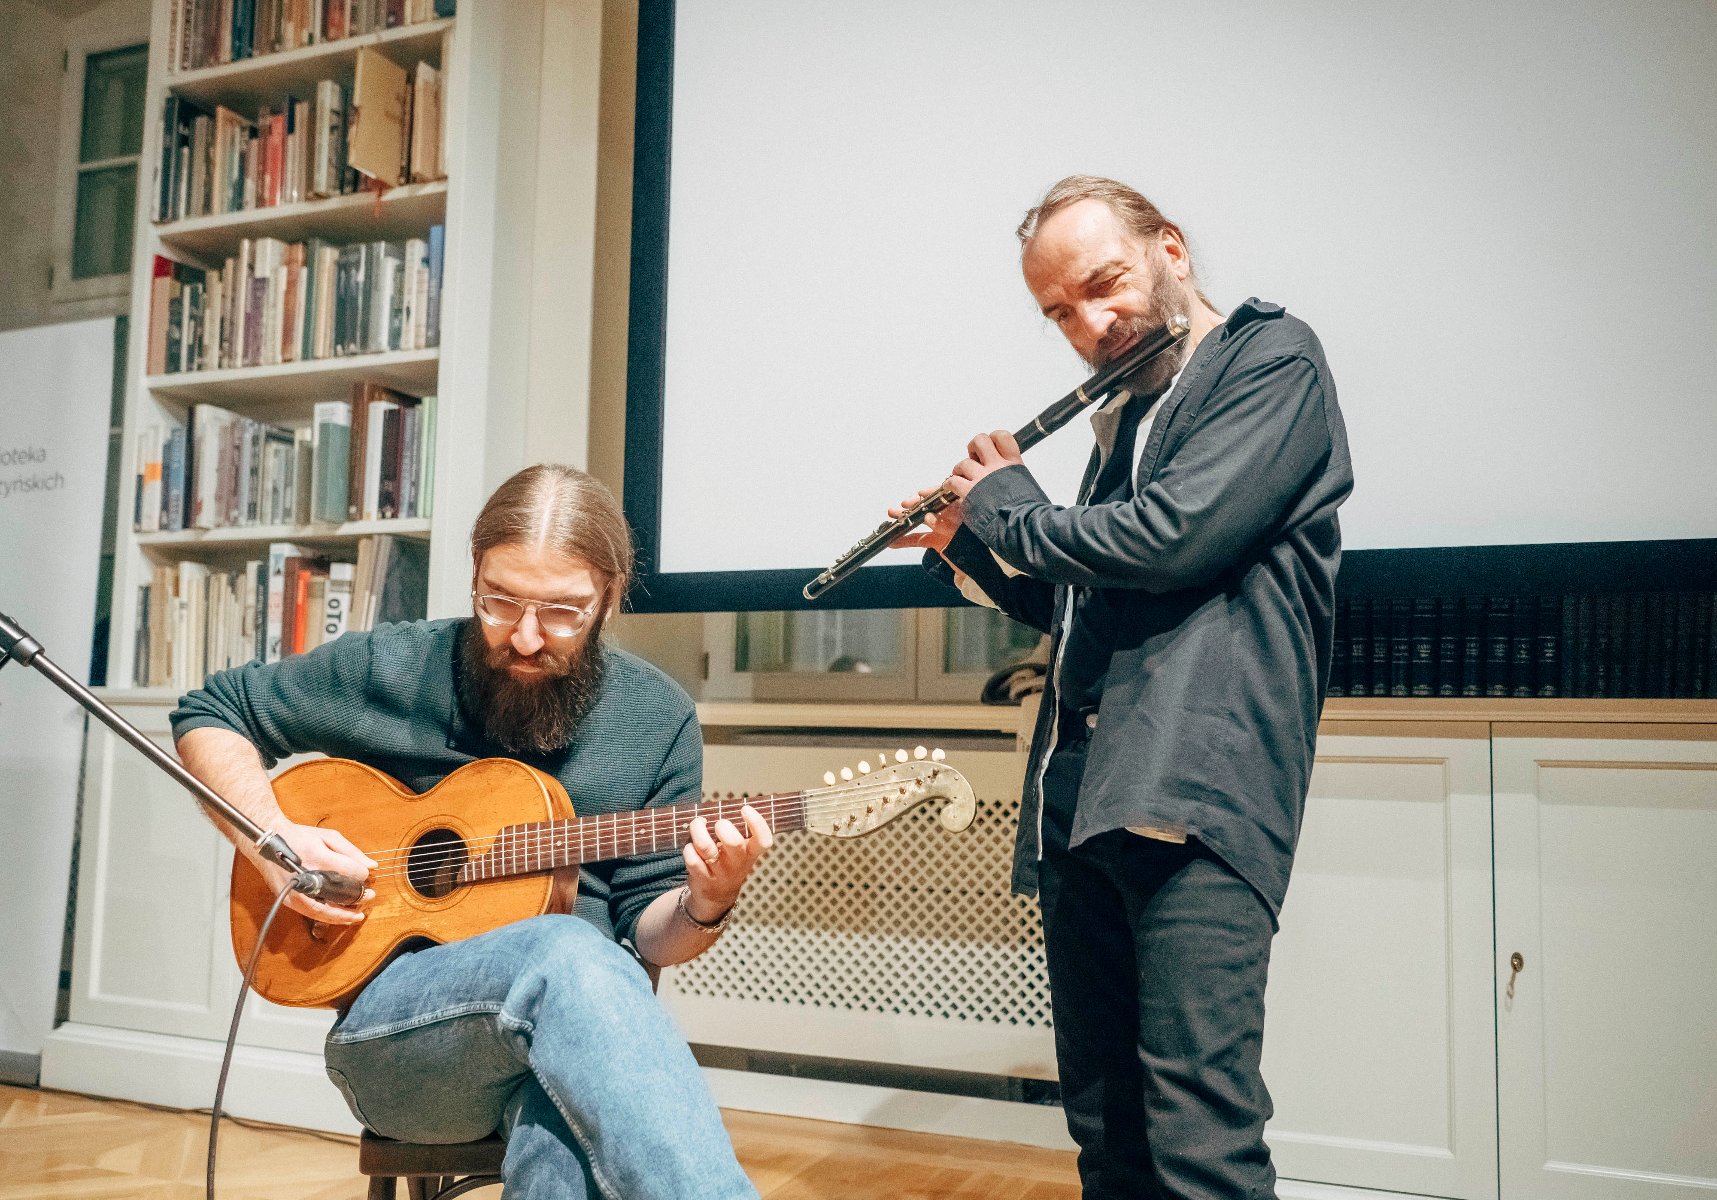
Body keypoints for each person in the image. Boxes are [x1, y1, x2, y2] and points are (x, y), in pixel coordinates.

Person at [893, 176, 1353, 1198]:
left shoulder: (1270, 361)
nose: (1089, 326)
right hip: (1084, 801)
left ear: (1170, 251)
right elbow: (1087, 607)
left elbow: (1171, 539)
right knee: (1110, 1131)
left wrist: (1008, 502)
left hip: (1194, 796)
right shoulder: (1125, 420)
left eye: (1101, 287)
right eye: (1058, 312)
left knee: (1200, 1137)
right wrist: (971, 543)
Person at [172, 464, 767, 1200]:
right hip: (404, 1046)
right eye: (499, 602)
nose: (522, 637)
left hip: (582, 1038)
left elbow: (650, 938)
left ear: (610, 598)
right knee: (569, 951)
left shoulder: (658, 718)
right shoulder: (390, 665)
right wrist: (270, 838)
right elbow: (211, 712)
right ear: (474, 576)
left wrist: (705, 902)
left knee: (570, 1129)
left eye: (561, 613)